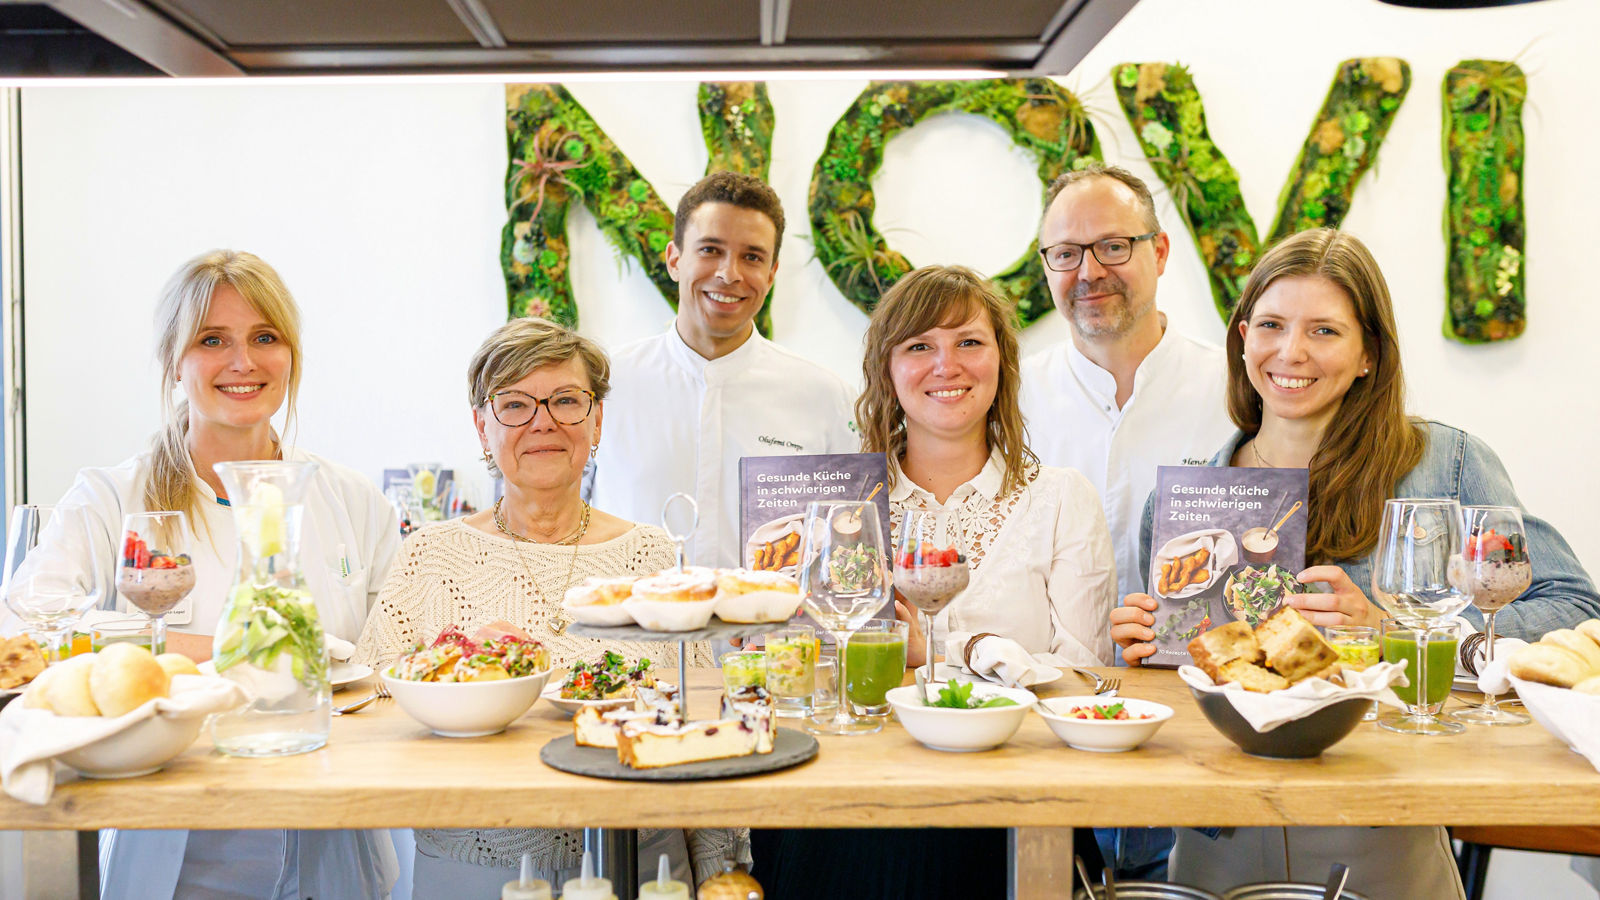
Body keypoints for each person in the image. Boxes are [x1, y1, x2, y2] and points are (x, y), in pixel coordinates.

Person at [1111, 228, 1600, 899]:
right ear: (1244, 338)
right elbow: (1178, 688)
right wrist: (1145, 646)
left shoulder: (1445, 464)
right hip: (1213, 840)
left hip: (1383, 835)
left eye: (1324, 331)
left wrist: (1391, 625)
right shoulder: (1184, 505)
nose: (1292, 352)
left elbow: (1574, 607)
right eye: (1273, 325)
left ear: (1369, 352)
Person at [27, 250, 402, 899]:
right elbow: (30, 625)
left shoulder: (353, 501)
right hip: (179, 862)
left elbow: (394, 660)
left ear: (291, 354)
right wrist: (238, 655)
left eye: (264, 337)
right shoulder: (113, 499)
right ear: (175, 361)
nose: (243, 362)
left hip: (334, 848)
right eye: (212, 340)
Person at [753, 265, 1116, 900]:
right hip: (847, 807)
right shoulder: (831, 507)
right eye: (920, 346)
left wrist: (935, 660)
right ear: (887, 371)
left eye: (969, 342)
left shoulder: (1061, 499)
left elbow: (1078, 682)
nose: (946, 365)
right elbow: (794, 674)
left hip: (1011, 807)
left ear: (1001, 361)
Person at [354, 317, 742, 894]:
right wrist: (458, 668)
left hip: (642, 860)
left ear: (598, 419)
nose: (543, 423)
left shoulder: (655, 553)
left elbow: (709, 719)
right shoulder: (429, 558)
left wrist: (720, 873)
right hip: (474, 860)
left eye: (566, 400)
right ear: (482, 427)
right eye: (514, 404)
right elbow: (370, 716)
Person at [1019, 162, 1233, 880]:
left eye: (1114, 246)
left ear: (1160, 252)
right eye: (1066, 253)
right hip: (1040, 720)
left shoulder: (1237, 390)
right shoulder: (1003, 399)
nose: (1089, 271)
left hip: (1197, 727)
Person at [590, 171, 857, 569]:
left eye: (752, 256)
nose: (729, 273)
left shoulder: (825, 397)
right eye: (711, 250)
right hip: (629, 630)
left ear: (771, 274)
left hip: (774, 631)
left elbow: (849, 543)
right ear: (675, 259)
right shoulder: (602, 385)